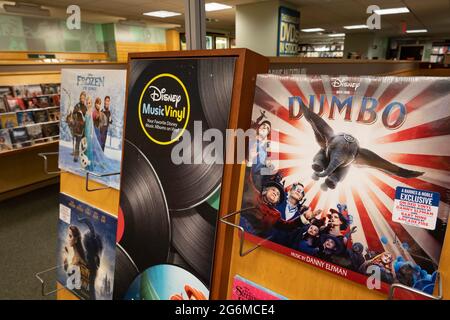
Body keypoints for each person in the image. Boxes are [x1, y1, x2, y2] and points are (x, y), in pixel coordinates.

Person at [68, 92, 86, 162]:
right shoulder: (77, 105)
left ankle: (82, 156)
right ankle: (76, 157)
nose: (82, 99)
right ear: (80, 98)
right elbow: (73, 113)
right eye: (81, 98)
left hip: (84, 127)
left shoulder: (85, 107)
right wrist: (77, 111)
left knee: (83, 143)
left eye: (83, 98)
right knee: (78, 142)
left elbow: (86, 116)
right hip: (78, 126)